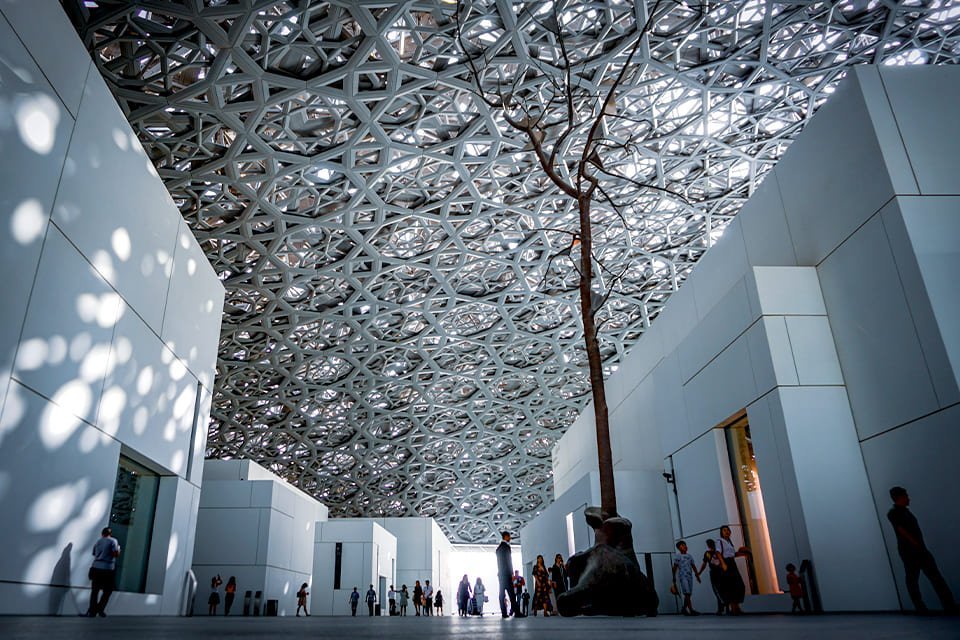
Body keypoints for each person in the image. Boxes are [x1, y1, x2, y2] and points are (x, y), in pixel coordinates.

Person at [887, 486, 956, 613]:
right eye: (906, 496)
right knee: (915, 579)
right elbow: (901, 530)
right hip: (910, 551)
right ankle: (923, 606)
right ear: (899, 498)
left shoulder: (905, 512)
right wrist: (916, 544)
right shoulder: (894, 513)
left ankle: (948, 605)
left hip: (917, 549)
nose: (908, 498)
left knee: (931, 577)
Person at [87, 527, 120, 617]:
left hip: (96, 567)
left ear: (102, 533)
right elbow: (115, 554)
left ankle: (92, 611)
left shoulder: (98, 541)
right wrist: (118, 550)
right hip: (107, 568)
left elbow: (94, 553)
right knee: (108, 590)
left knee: (95, 590)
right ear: (110, 533)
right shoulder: (113, 541)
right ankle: (100, 608)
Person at [717, 526, 749, 615]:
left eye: (728, 530)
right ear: (721, 532)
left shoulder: (729, 542)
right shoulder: (720, 541)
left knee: (738, 585)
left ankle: (736, 606)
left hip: (732, 563)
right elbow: (718, 552)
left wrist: (742, 554)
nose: (726, 532)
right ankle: (733, 608)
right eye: (724, 530)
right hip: (726, 563)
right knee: (730, 585)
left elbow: (732, 554)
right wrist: (723, 563)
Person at [672, 540, 701, 615]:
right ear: (679, 548)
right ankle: (691, 609)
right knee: (687, 593)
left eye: (685, 545)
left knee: (689, 594)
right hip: (683, 576)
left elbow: (693, 566)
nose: (684, 546)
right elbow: (674, 567)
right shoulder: (678, 556)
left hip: (689, 576)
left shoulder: (689, 556)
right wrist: (674, 577)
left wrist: (697, 575)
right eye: (682, 545)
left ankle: (684, 608)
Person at [698, 539, 726, 615]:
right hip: (721, 571)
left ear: (708, 545)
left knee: (716, 589)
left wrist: (699, 572)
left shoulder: (708, 553)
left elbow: (704, 564)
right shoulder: (718, 552)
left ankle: (721, 606)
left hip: (714, 572)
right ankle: (724, 607)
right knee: (722, 589)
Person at [496, 531, 518, 617]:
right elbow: (509, 561)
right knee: (512, 594)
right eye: (509, 537)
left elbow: (500, 563)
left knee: (502, 594)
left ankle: (504, 613)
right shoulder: (506, 547)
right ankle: (517, 612)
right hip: (507, 574)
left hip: (501, 574)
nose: (510, 538)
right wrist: (512, 574)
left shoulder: (498, 549)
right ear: (506, 537)